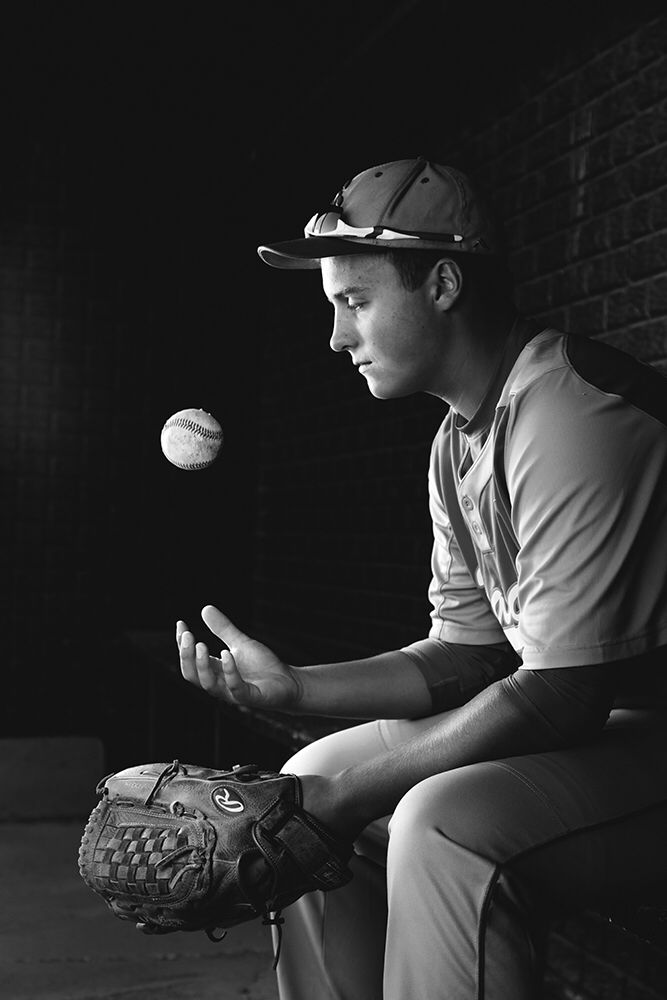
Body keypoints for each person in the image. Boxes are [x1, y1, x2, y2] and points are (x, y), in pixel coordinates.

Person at [177, 158, 667, 1000]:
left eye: (354, 303)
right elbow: (467, 658)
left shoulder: (568, 410)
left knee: (442, 826)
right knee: (298, 789)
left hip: (642, 730)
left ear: (441, 282)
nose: (336, 337)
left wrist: (347, 799)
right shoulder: (455, 441)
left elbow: (563, 694)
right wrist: (293, 691)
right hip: (602, 734)